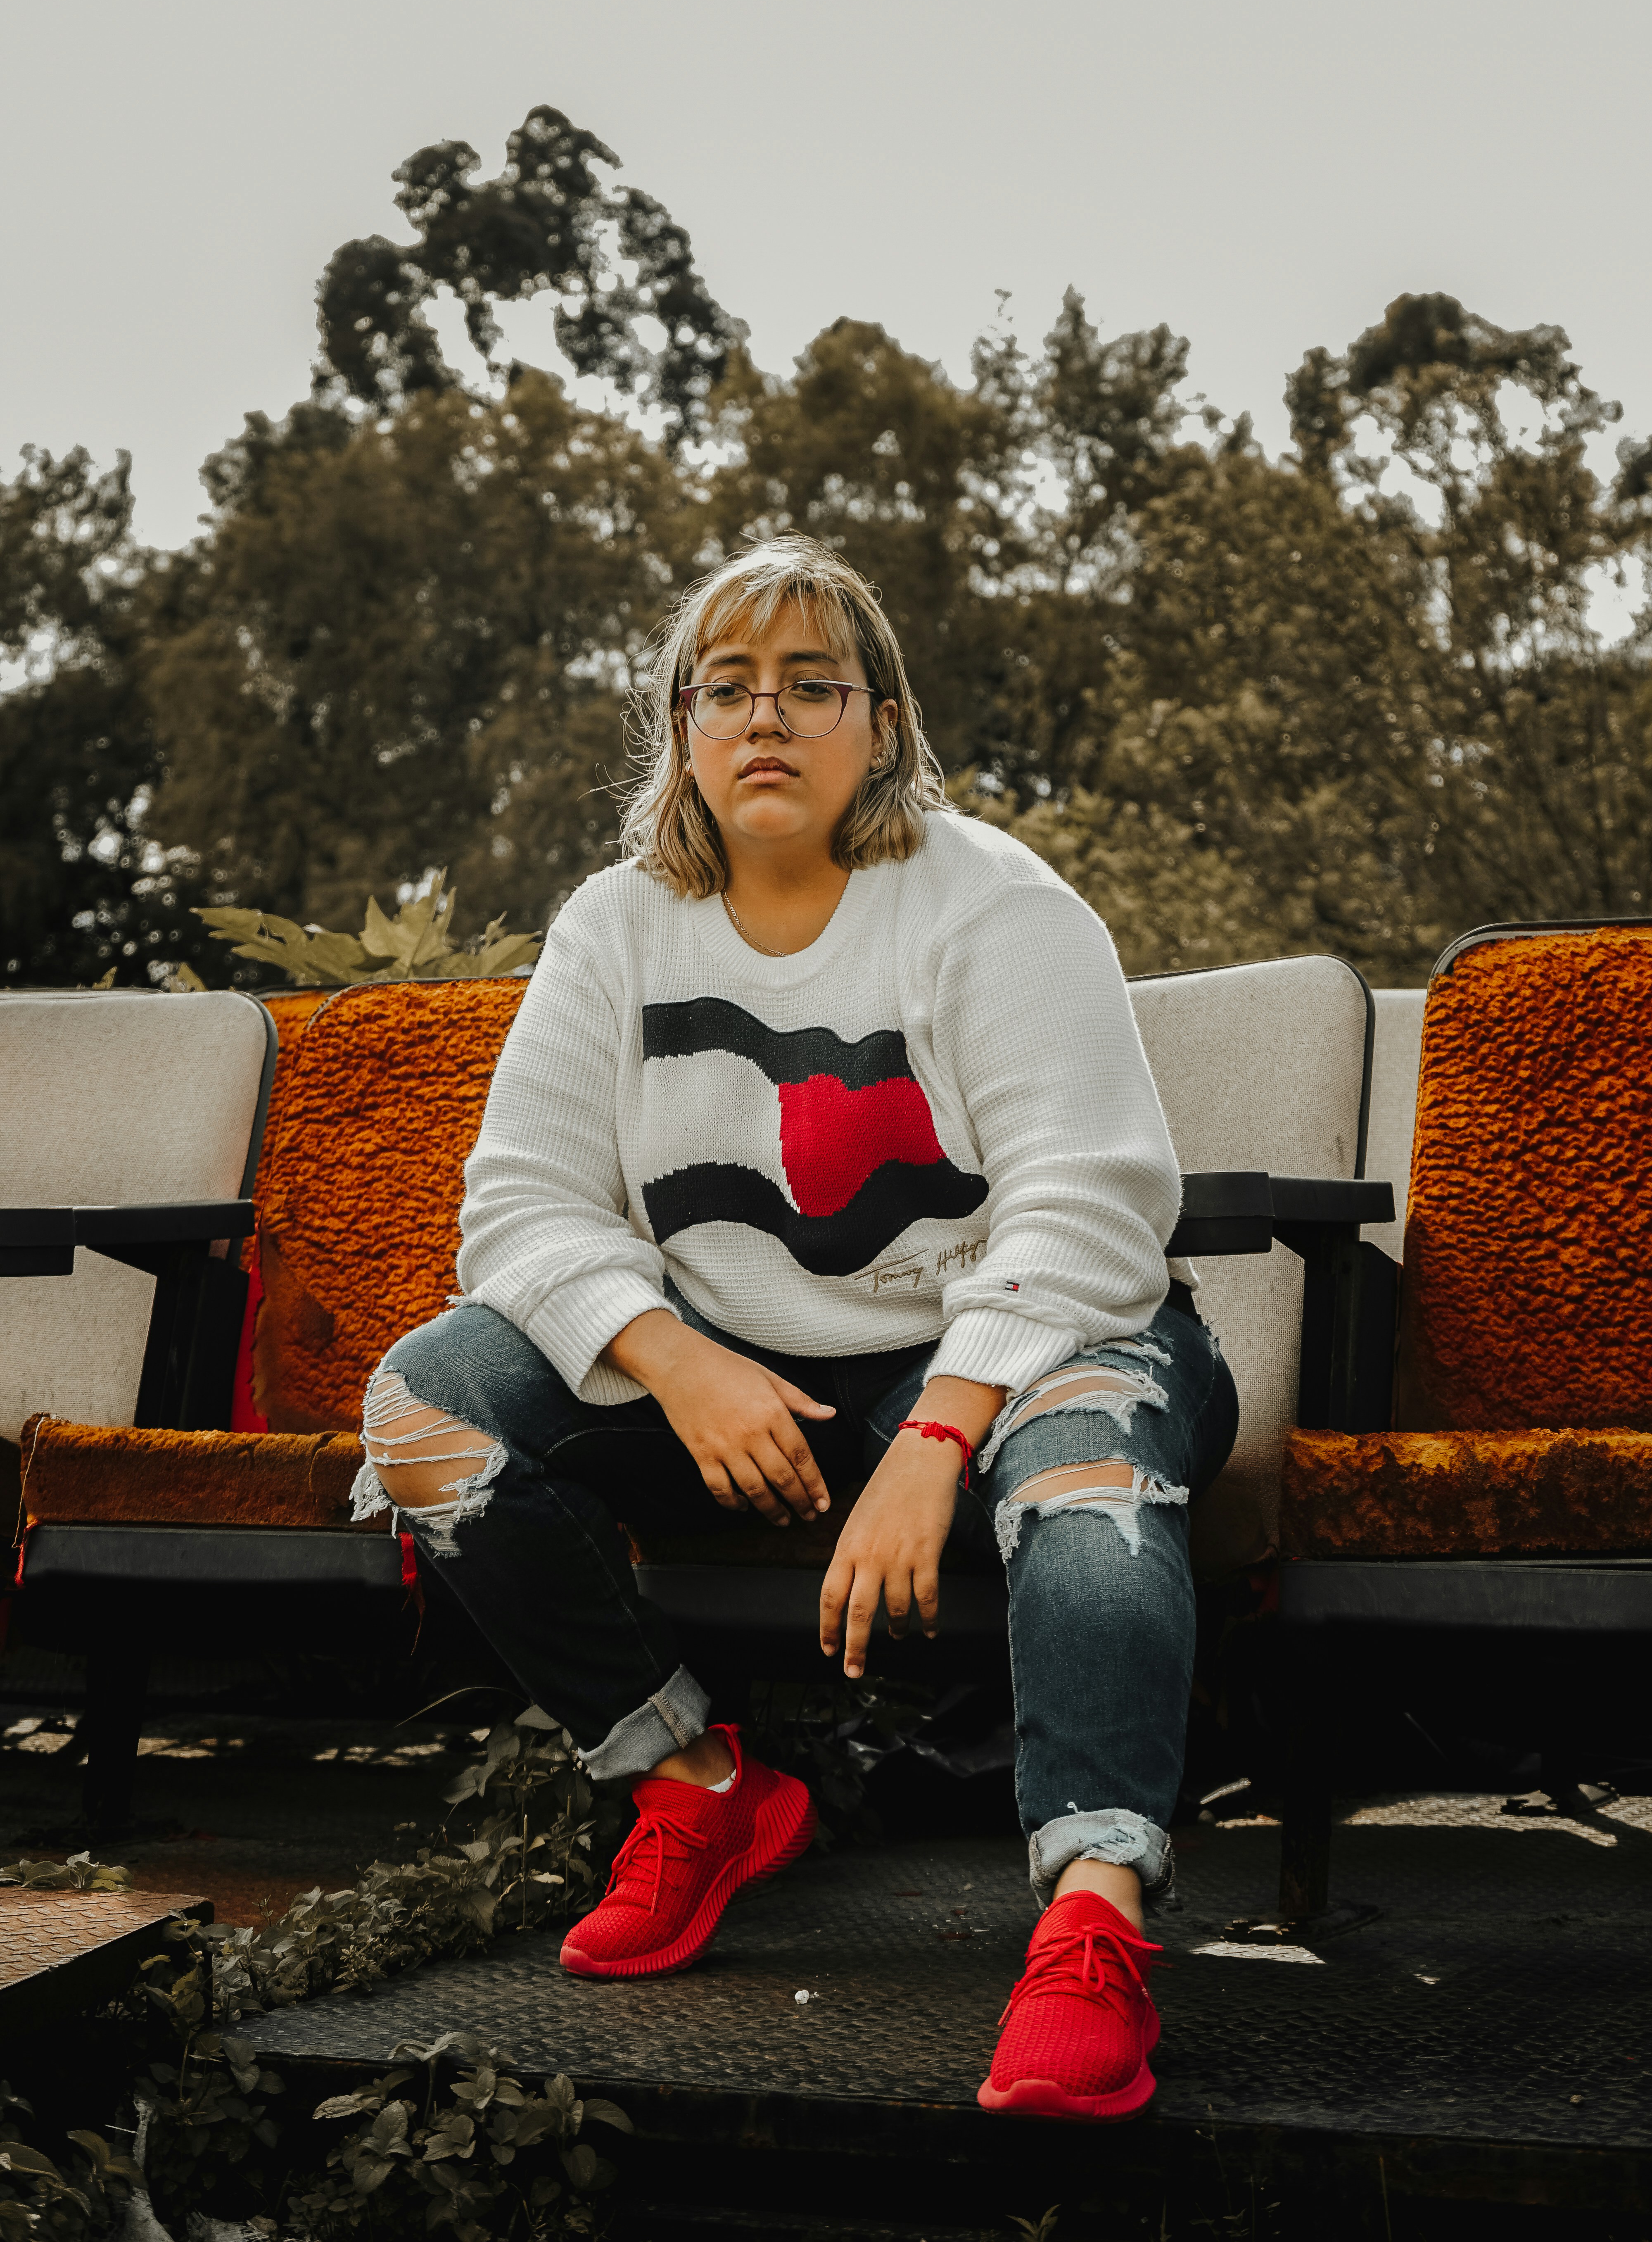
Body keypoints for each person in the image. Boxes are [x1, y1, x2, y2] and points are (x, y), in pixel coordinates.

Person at [356, 534, 1237, 2121]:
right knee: (427, 1407)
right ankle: (701, 1788)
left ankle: (1093, 1920)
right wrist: (677, 1362)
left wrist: (940, 1433)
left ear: (882, 725)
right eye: (728, 688)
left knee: (1087, 1486)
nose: (765, 717)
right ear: (684, 732)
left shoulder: (993, 904)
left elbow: (1093, 1203)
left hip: (1033, 1343)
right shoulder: (617, 926)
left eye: (811, 686)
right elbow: (521, 1210)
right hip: (746, 1381)